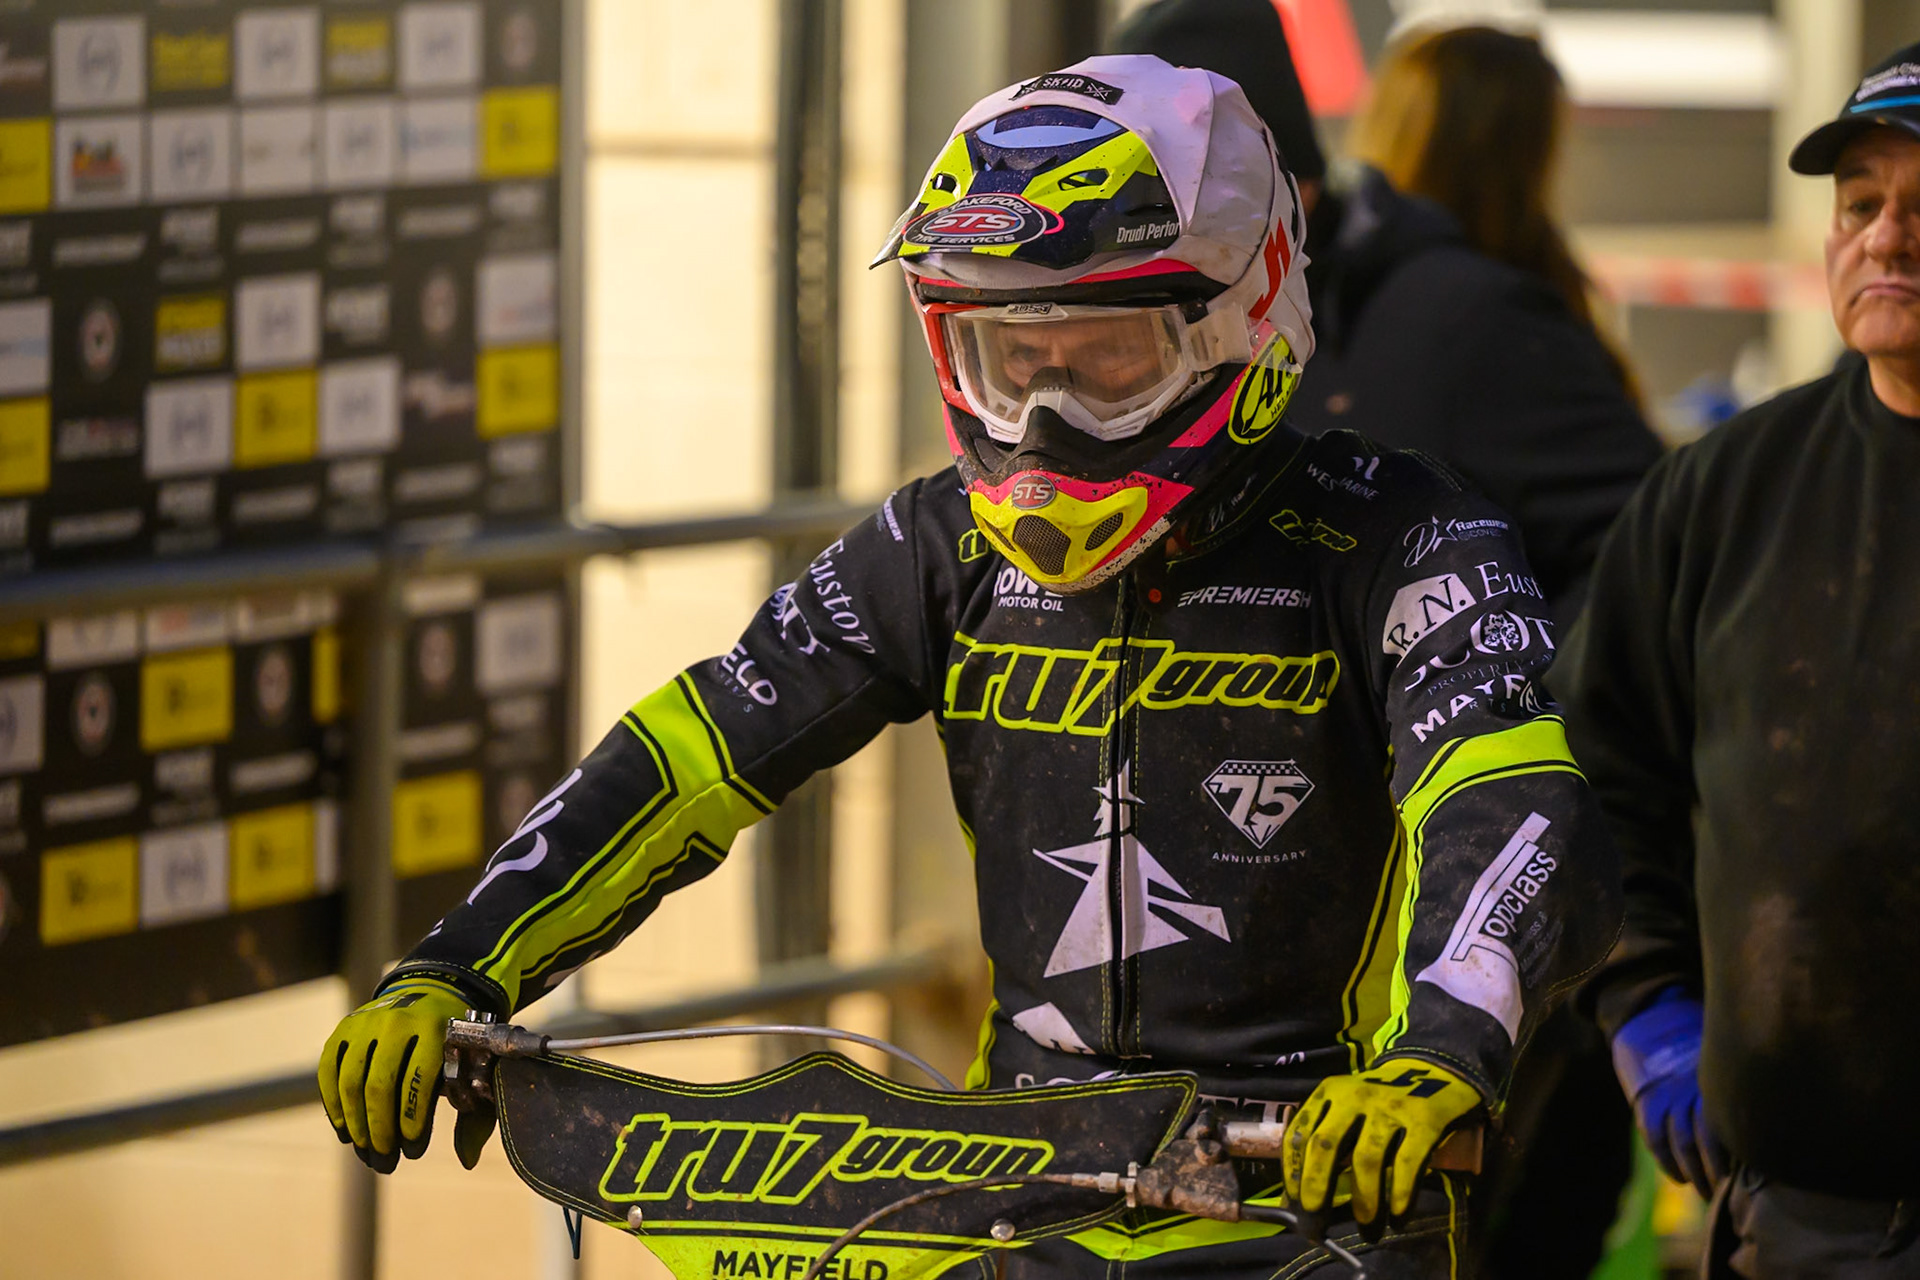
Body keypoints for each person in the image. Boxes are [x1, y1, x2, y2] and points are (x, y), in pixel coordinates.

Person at [318, 54, 1624, 1277]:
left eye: (1107, 355)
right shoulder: (938, 543)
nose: (1048, 413)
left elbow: (1501, 790)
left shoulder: (1398, 531)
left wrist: (1442, 1051)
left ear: (1243, 317)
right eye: (1006, 355)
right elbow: (700, 750)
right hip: (1028, 1183)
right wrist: (459, 960)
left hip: (1323, 1184)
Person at [1109, 10, 1659, 1277]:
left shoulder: (1455, 318)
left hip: (1478, 915)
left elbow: (1663, 553)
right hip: (1278, 933)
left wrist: (1498, 705)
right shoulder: (1333, 309)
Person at [1557, 41, 1920, 1279]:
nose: (1885, 237)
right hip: (1797, 1210)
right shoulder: (1726, 492)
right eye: (1862, 203)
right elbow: (1601, 772)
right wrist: (1646, 1002)